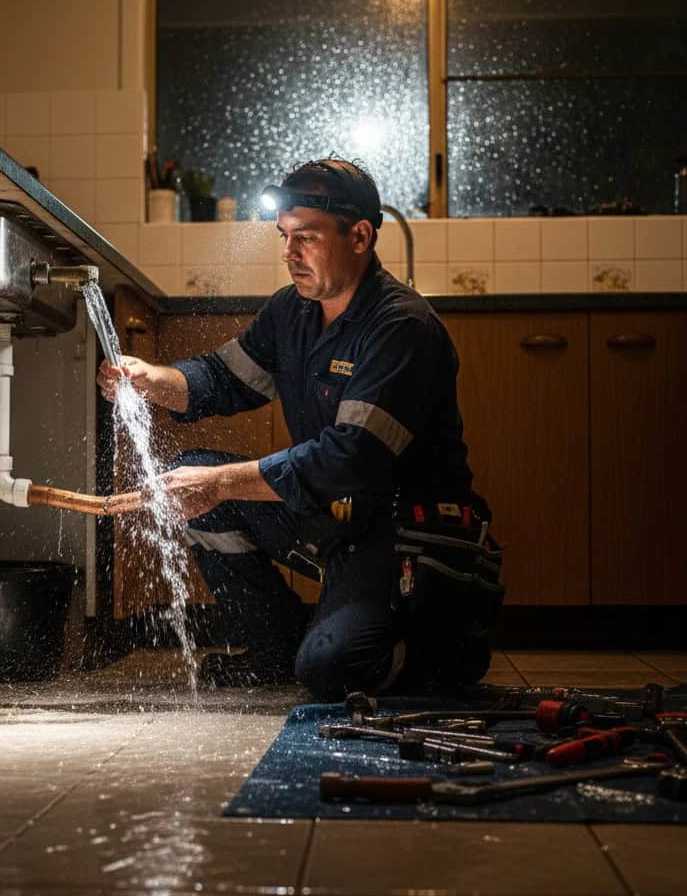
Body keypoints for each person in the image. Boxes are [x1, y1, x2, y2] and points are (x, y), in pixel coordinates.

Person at [97, 158, 502, 700]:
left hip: (399, 532)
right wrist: (152, 379)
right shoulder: (294, 312)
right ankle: (274, 644)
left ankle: (445, 646)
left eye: (305, 238)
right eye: (284, 236)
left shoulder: (401, 326)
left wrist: (220, 481)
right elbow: (221, 379)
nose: (288, 253)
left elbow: (351, 458)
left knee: (332, 670)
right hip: (331, 519)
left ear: (360, 235)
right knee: (185, 486)